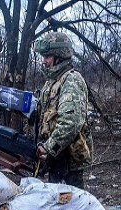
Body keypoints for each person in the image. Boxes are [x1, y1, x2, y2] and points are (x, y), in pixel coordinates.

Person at [33, 32, 93, 189]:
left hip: (69, 159)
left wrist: (48, 147)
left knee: (73, 206)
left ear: (59, 56)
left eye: (47, 57)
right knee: (58, 203)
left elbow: (69, 124)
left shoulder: (71, 80)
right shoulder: (52, 81)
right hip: (56, 157)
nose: (43, 61)